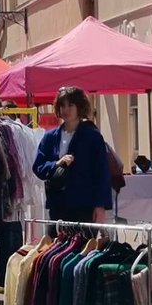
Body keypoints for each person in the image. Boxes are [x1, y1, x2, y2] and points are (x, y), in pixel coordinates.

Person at [33, 86, 112, 224]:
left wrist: (100, 206)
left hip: (84, 205)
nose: (66, 110)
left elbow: (102, 173)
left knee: (83, 245)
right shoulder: (50, 137)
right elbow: (38, 166)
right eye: (62, 105)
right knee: (57, 244)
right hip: (57, 205)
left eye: (70, 105)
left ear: (79, 107)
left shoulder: (92, 137)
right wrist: (56, 164)